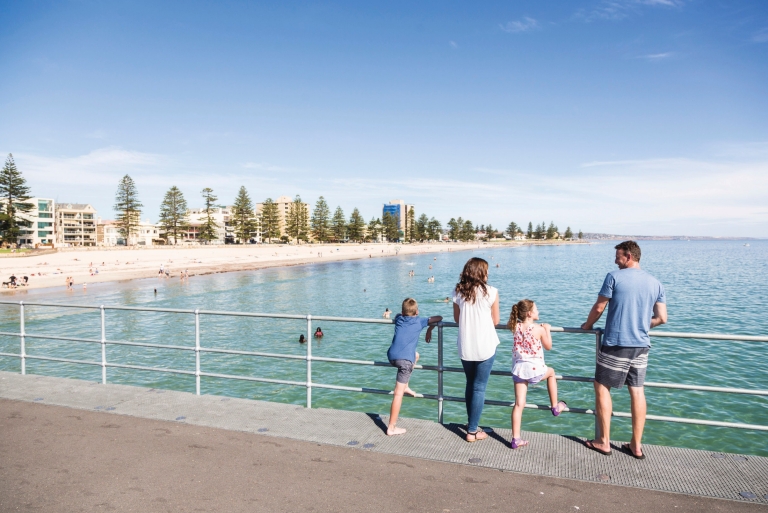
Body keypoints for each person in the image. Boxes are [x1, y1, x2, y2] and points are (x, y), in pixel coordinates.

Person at [581, 241, 667, 459]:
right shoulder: (655, 282)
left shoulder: (614, 277)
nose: (615, 260)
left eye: (618, 256)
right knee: (637, 391)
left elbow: (600, 307)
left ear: (628, 256)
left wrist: (587, 325)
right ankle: (636, 446)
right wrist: (641, 323)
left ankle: (603, 441)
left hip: (617, 343)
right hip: (641, 344)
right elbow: (662, 318)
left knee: (601, 386)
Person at [507, 299, 567, 449]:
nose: (538, 312)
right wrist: (547, 329)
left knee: (519, 404)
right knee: (552, 373)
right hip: (535, 370)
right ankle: (555, 406)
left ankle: (515, 439)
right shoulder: (538, 329)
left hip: (519, 370)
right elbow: (549, 346)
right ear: (529, 314)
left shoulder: (515, 326)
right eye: (536, 310)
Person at [453, 257, 500, 442]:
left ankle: (471, 424)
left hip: (466, 345)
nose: (488, 274)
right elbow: (495, 321)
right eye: (486, 271)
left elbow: (457, 319)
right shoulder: (492, 292)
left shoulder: (458, 292)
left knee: (470, 384)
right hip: (485, 345)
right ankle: (472, 431)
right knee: (479, 387)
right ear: (481, 273)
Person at [386, 298, 442, 436]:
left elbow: (401, 315)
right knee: (398, 394)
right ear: (417, 311)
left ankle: (406, 386)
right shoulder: (419, 321)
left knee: (415, 355)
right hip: (404, 361)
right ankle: (391, 427)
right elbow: (439, 317)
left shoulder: (399, 318)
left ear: (402, 311)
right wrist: (430, 327)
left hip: (392, 356)